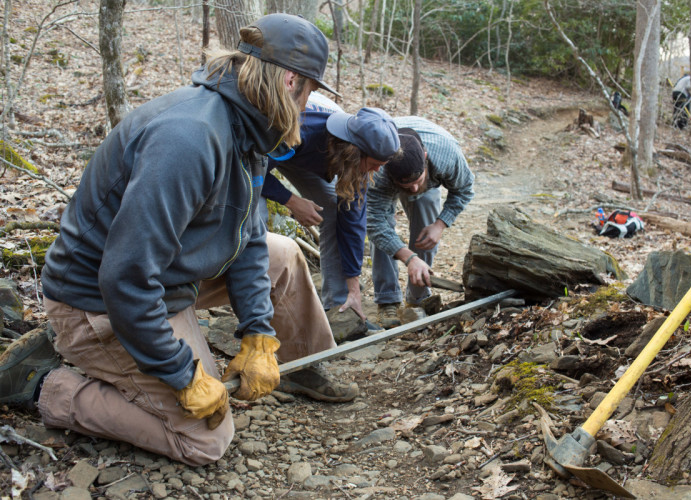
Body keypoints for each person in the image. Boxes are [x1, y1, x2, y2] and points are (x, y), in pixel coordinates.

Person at [0, 14, 358, 467]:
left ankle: (294, 369)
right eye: (310, 91)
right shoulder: (189, 137)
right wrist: (181, 373)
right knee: (205, 440)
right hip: (96, 300)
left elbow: (248, 240)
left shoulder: (251, 130)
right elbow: (125, 278)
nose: (308, 105)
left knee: (281, 253)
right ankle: (42, 383)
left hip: (167, 276)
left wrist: (258, 336)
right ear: (291, 80)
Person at [262, 103, 399, 321]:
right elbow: (248, 171)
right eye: (374, 164)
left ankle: (339, 307)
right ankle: (259, 309)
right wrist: (292, 201)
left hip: (310, 157)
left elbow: (352, 221)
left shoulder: (361, 157)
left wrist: (354, 288)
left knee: (334, 212)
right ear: (353, 152)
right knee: (256, 215)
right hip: (272, 147)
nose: (378, 171)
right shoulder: (297, 130)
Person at [367, 117, 475, 328]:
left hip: (433, 156)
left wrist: (441, 224)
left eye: (417, 182)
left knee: (426, 223)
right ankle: (387, 299)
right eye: (406, 185)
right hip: (386, 174)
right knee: (383, 234)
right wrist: (408, 258)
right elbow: (374, 222)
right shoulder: (377, 171)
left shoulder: (447, 156)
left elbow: (464, 189)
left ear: (425, 159)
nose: (413, 190)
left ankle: (417, 299)